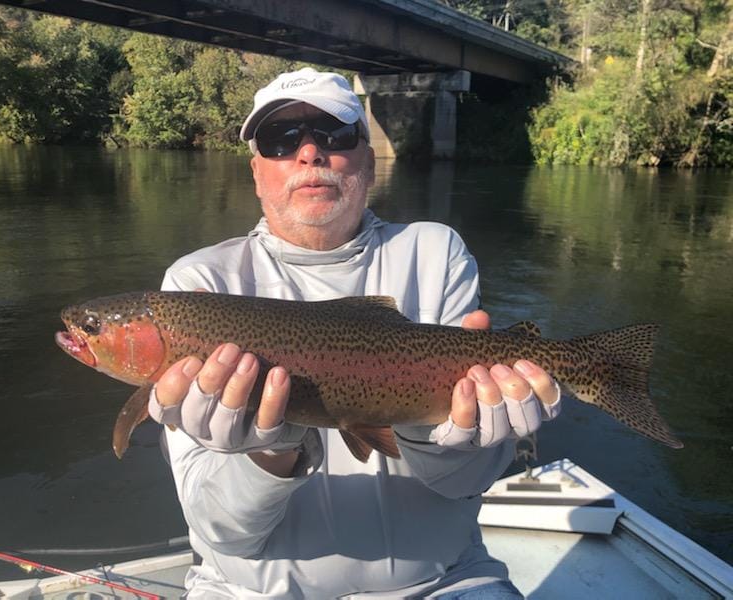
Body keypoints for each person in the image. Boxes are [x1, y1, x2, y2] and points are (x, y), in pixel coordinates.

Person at [147, 67, 561, 599]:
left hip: (442, 583)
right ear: (256, 172)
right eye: (281, 140)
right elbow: (221, 534)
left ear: (368, 159)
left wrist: (449, 435)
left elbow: (464, 484)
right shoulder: (197, 287)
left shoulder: (434, 251)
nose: (310, 153)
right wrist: (268, 454)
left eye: (335, 135)